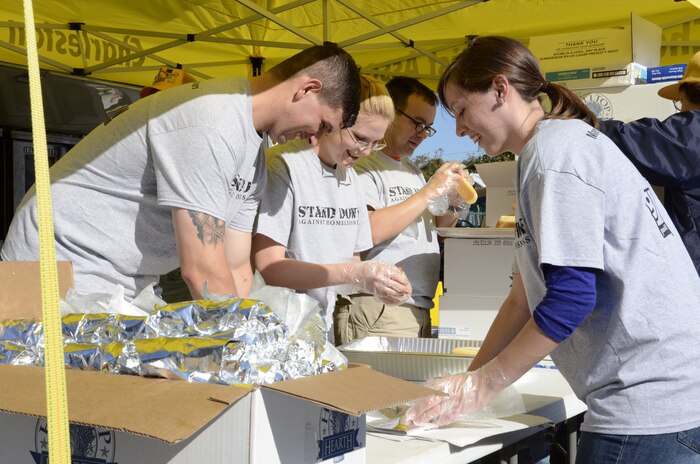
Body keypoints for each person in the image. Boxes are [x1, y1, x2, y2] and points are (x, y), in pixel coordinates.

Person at [404, 36, 700, 464]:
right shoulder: (543, 153)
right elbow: (521, 299)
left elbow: (571, 298)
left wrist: (483, 387)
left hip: (648, 408)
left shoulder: (555, 152)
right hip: (661, 400)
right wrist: (466, 386)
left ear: (500, 90)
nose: (459, 130)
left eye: (463, 111)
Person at [1, 44, 361, 301]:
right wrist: (236, 340)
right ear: (307, 89)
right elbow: (201, 269)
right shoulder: (212, 120)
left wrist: (251, 326)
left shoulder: (253, 151)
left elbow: (235, 264)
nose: (314, 138)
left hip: (126, 278)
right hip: (60, 264)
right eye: (322, 124)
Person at [252, 75, 411, 335]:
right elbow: (269, 268)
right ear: (336, 119)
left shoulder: (351, 180)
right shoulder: (284, 165)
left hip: (319, 329)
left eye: (375, 143)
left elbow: (350, 265)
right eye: (360, 137)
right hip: (272, 326)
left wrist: (378, 283)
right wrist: (355, 273)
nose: (366, 151)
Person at [333, 76, 466, 345]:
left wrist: (454, 199)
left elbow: (439, 226)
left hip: (415, 306)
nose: (422, 134)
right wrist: (429, 191)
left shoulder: (412, 171)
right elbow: (367, 230)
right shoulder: (362, 165)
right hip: (377, 305)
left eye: (428, 127)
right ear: (390, 112)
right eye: (417, 123)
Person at [598, 50, 700, 276]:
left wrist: (578, 117)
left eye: (681, 102)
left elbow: (625, 140)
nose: (680, 111)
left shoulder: (692, 134)